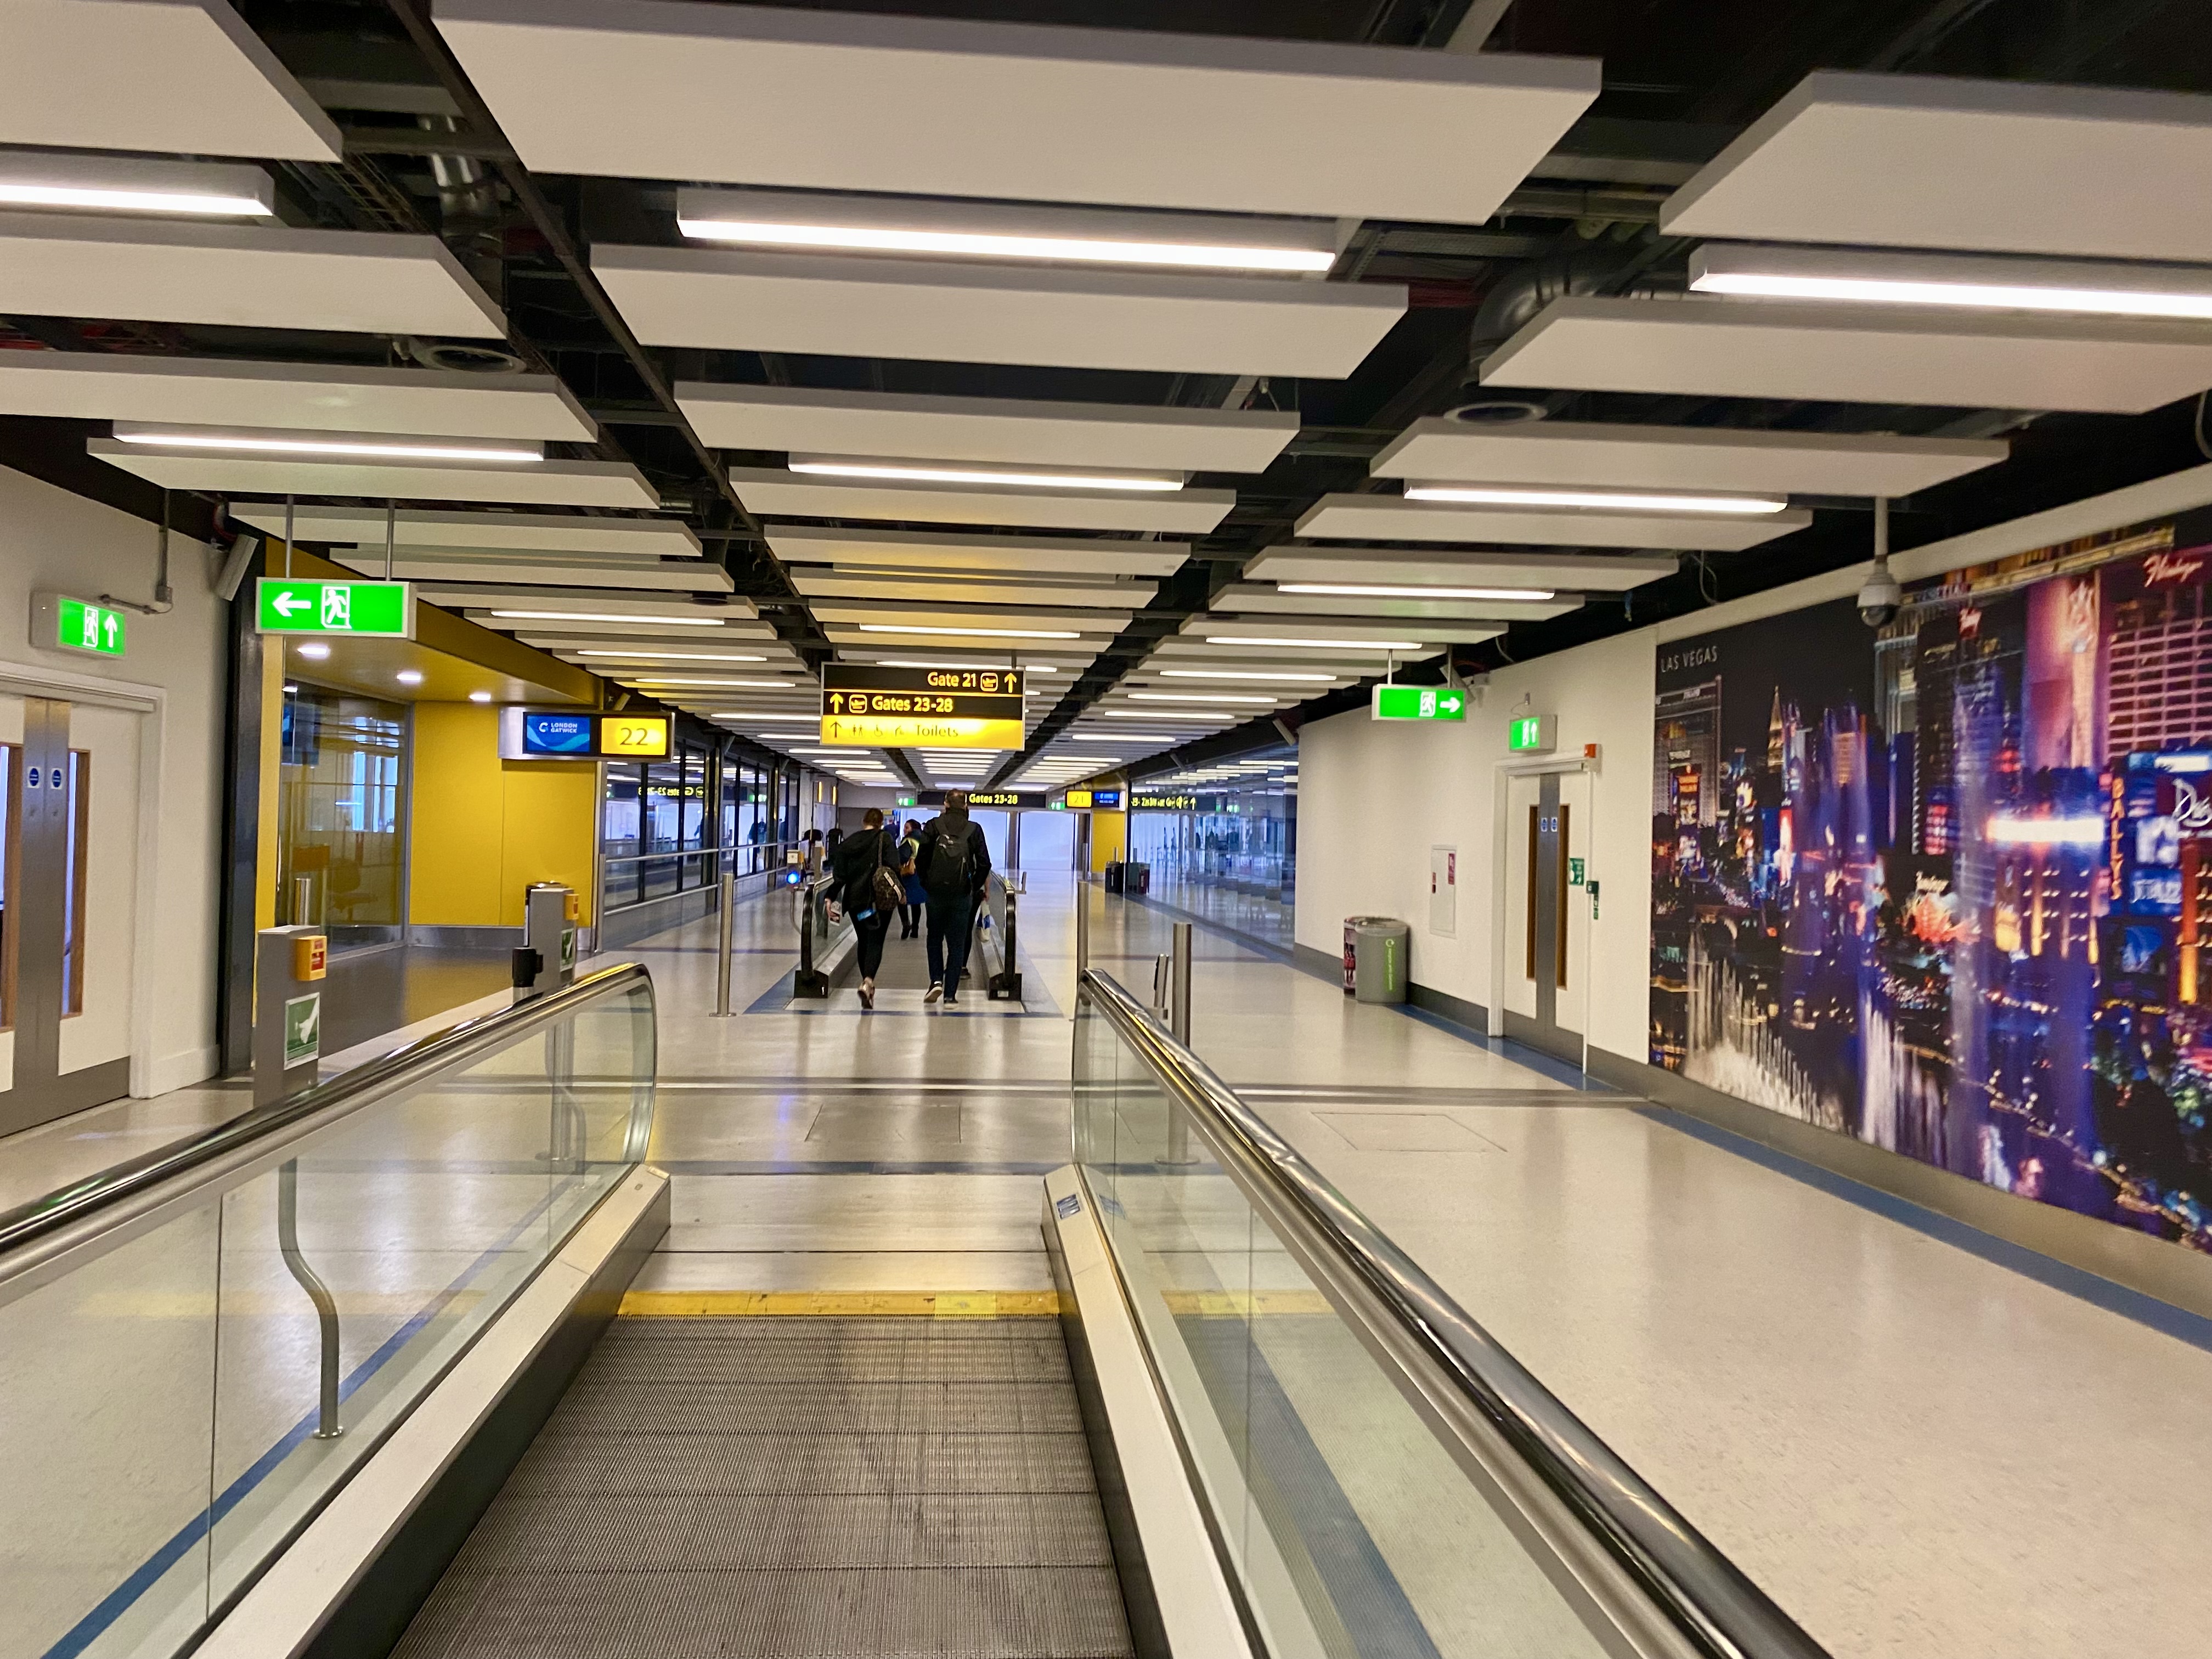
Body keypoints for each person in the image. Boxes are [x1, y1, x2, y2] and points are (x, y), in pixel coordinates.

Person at [919, 791, 991, 1005]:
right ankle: (950, 994)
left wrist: (927, 884)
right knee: (957, 944)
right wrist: (972, 887)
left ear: (946, 804)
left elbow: (921, 859)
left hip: (936, 895)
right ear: (966, 805)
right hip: (962, 896)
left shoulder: (933, 826)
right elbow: (985, 864)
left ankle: (936, 981)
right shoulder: (974, 829)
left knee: (934, 939)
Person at [829, 807, 900, 1008]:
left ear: (864, 821)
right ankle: (868, 981)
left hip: (856, 903)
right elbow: (894, 867)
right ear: (881, 823)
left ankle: (867, 985)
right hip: (878, 902)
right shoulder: (884, 839)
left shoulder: (849, 842)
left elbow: (839, 875)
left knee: (864, 940)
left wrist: (830, 898)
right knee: (876, 941)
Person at [897, 818, 925, 939]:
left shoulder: (908, 840)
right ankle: (915, 929)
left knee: (901, 900)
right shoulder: (924, 840)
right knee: (916, 903)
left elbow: (903, 857)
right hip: (919, 874)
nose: (904, 830)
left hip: (908, 875)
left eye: (907, 827)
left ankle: (906, 924)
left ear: (913, 829)